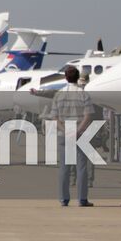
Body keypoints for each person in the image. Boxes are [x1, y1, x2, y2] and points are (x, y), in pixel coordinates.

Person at [49, 65, 96, 207]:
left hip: (64, 132)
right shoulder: (83, 94)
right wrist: (78, 130)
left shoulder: (59, 94)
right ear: (77, 78)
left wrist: (65, 130)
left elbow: (54, 117)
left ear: (65, 77)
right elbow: (88, 116)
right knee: (82, 167)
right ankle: (82, 199)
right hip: (80, 132)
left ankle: (64, 199)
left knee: (64, 168)